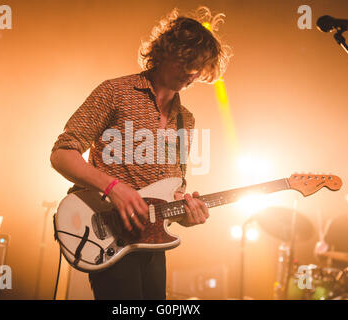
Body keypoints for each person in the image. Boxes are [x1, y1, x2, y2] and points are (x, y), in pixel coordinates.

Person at [50, 7, 230, 299]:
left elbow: (172, 192)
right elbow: (62, 154)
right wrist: (114, 188)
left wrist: (187, 214)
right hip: (107, 230)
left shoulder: (187, 119)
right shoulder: (115, 92)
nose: (193, 74)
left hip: (152, 244)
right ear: (167, 52)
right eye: (189, 63)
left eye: (200, 67)